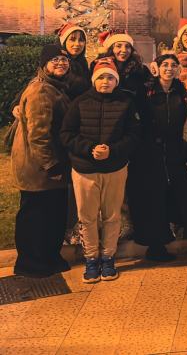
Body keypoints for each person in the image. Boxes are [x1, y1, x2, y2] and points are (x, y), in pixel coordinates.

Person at [60, 58, 141, 283]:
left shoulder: (126, 102)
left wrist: (113, 150)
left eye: (110, 77)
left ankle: (108, 257)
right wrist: (89, 149)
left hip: (114, 168)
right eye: (101, 77)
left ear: (116, 81)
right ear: (94, 80)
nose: (105, 82)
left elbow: (134, 135)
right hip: (85, 169)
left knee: (112, 215)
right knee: (87, 217)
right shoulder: (80, 102)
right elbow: (67, 133)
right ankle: (91, 258)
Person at [11, 44, 72, 278]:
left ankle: (47, 257)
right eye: (54, 60)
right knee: (36, 216)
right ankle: (31, 262)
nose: (60, 63)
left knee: (49, 214)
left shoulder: (54, 87)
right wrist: (51, 165)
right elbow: (39, 134)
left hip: (42, 167)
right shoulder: (41, 91)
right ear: (44, 64)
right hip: (38, 169)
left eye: (64, 60)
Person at [128, 52, 187, 261]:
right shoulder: (146, 91)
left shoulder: (181, 91)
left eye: (174, 65)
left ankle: (169, 235)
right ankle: (154, 244)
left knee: (173, 194)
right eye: (165, 65)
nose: (169, 69)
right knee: (152, 197)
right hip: (149, 152)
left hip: (172, 150)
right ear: (157, 67)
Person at [97, 30, 150, 108]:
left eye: (127, 46)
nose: (124, 50)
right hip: (108, 111)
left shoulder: (140, 69)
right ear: (111, 49)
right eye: (118, 46)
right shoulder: (100, 67)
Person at [58, 23, 90, 100]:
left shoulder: (82, 62)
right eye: (72, 39)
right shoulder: (59, 64)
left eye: (81, 40)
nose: (77, 44)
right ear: (64, 42)